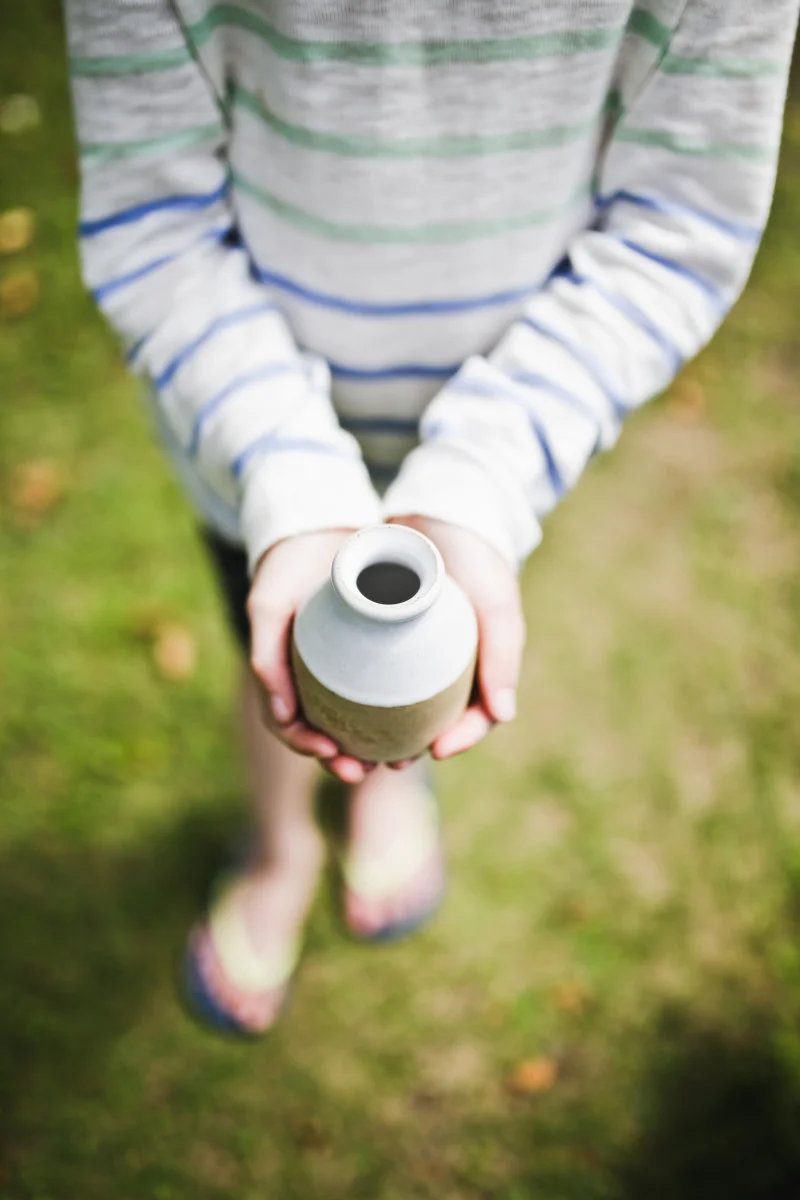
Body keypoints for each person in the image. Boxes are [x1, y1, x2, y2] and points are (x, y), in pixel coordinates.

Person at [64, 0, 798, 1035]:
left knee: (425, 667)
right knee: (266, 648)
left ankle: (388, 793)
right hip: (249, 426)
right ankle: (281, 846)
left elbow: (680, 223)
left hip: (496, 430)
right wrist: (286, 472)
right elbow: (151, 221)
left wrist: (480, 481)